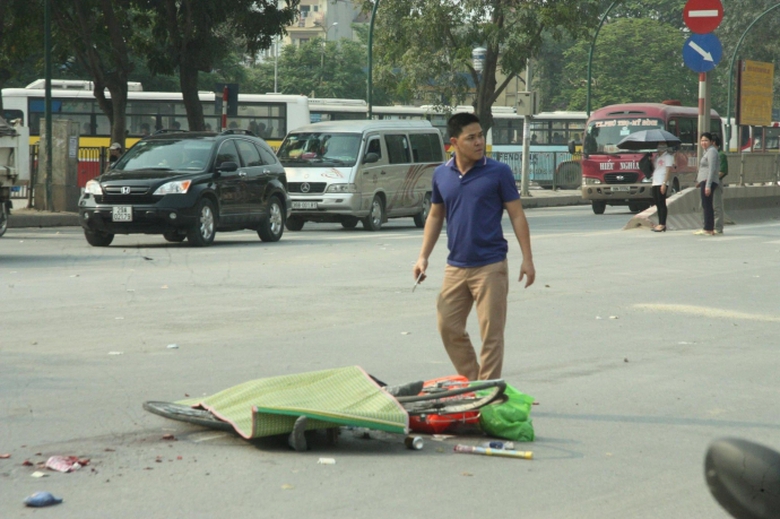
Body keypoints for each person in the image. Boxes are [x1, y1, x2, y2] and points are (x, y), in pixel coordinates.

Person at [412, 112, 535, 381]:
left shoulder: (498, 172)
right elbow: (435, 215)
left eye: (481, 135)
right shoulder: (441, 175)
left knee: (491, 335)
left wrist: (527, 259)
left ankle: (487, 394)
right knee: (448, 326)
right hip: (455, 266)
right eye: (472, 138)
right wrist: (423, 257)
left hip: (490, 265)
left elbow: (517, 215)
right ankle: (474, 382)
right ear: (455, 142)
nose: (479, 142)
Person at [694, 132, 720, 236]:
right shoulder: (707, 151)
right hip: (704, 181)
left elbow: (712, 169)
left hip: (708, 181)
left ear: (711, 141)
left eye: (706, 140)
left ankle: (709, 228)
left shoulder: (712, 151)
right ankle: (707, 227)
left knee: (707, 204)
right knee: (705, 204)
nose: (703, 142)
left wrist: (708, 185)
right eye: (702, 140)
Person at [650, 145, 675, 232]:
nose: (659, 148)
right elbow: (655, 168)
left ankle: (662, 224)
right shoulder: (657, 157)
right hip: (655, 181)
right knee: (657, 203)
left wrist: (664, 183)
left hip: (662, 181)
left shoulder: (668, 157)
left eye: (661, 146)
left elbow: (668, 170)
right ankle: (659, 223)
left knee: (661, 203)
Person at [711, 134, 728, 234]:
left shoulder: (721, 155)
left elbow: (723, 170)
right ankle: (709, 226)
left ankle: (718, 227)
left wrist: (713, 179)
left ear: (713, 142)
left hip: (716, 182)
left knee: (716, 206)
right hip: (708, 183)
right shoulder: (709, 154)